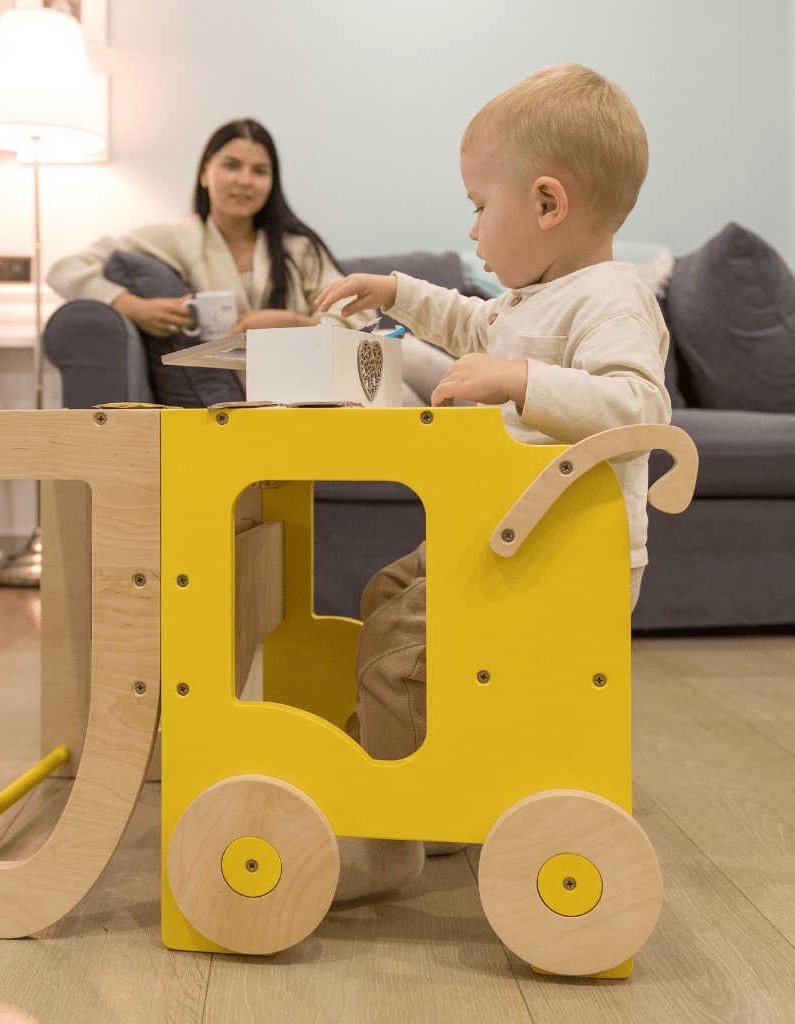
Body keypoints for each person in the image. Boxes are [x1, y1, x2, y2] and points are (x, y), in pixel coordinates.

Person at [316, 64, 670, 901]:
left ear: (548, 204)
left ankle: (389, 830)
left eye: (479, 204)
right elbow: (470, 318)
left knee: (396, 656)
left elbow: (639, 403)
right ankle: (444, 781)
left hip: (560, 557)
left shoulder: (609, 297)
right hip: (506, 537)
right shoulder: (535, 297)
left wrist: (517, 382)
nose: (472, 227)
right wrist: (395, 292)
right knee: (386, 592)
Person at [47, 118, 371, 404]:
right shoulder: (175, 240)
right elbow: (64, 270)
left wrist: (290, 323)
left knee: (407, 357)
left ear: (272, 183)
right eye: (231, 165)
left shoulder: (298, 249)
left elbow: (359, 326)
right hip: (232, 402)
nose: (245, 180)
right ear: (205, 173)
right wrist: (132, 306)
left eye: (259, 171)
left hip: (312, 394)